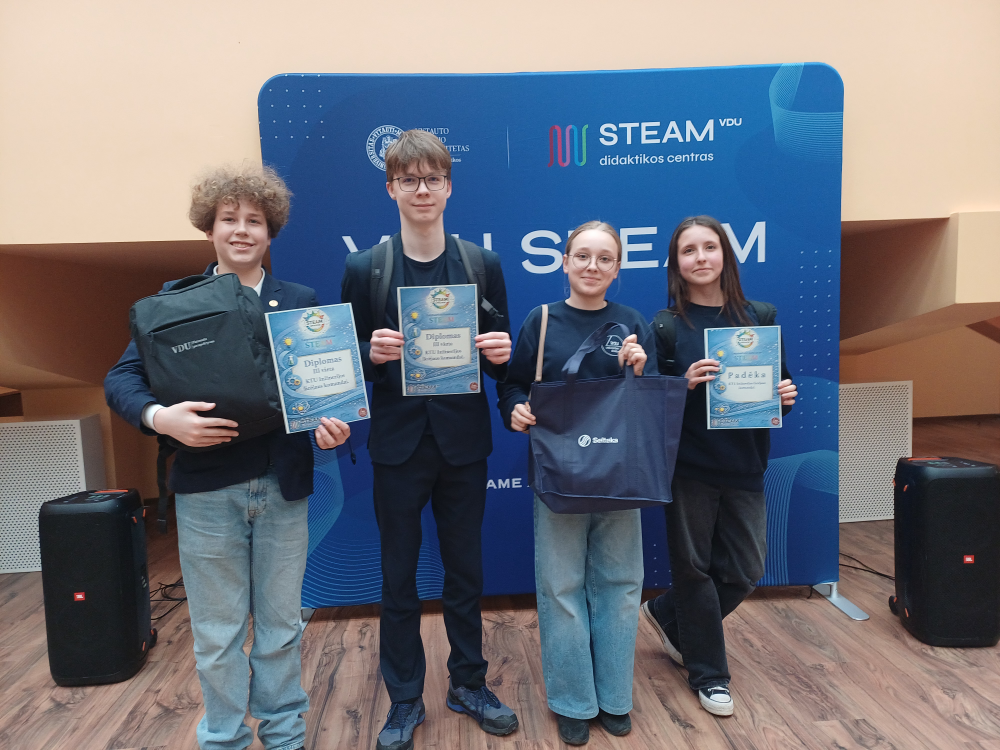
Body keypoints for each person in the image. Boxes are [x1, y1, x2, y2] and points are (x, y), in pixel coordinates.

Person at [105, 165, 350, 750]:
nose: (242, 230)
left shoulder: (299, 302)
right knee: (217, 633)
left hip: (285, 487)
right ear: (209, 228)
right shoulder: (173, 303)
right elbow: (122, 378)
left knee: (282, 625)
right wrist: (161, 418)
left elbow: (318, 390)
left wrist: (330, 428)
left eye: (254, 221)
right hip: (207, 492)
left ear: (271, 231)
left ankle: (284, 733)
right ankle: (224, 738)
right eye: (229, 219)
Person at [339, 129, 518, 750]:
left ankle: (468, 682)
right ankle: (405, 698)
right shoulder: (366, 268)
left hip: (463, 444)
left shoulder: (481, 264)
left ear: (449, 186)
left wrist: (501, 353)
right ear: (391, 188)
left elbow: (501, 360)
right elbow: (345, 362)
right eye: (410, 179)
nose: (422, 189)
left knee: (465, 571)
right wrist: (369, 352)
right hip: (398, 446)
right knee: (397, 577)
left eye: (433, 178)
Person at [497, 221, 653, 746]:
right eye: (582, 256)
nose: (592, 266)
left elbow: (652, 402)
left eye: (604, 258)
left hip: (619, 475)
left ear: (617, 268)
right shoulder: (541, 321)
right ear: (564, 262)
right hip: (559, 475)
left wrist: (640, 369)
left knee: (621, 584)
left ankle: (614, 697)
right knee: (560, 587)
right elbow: (512, 384)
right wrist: (515, 408)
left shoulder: (633, 323)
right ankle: (572, 701)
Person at [640, 215, 797, 717]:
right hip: (688, 467)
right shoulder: (665, 326)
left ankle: (666, 612)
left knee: (746, 571)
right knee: (693, 571)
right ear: (676, 264)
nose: (700, 257)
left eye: (709, 247)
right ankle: (710, 675)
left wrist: (785, 396)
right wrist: (682, 384)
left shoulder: (761, 316)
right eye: (688, 250)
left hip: (745, 463)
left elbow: (780, 390)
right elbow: (650, 404)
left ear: (726, 254)